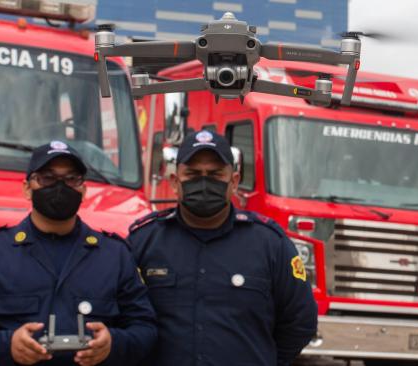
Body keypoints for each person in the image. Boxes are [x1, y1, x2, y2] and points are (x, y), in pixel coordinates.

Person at [0, 140, 156, 366]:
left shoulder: (114, 255)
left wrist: (113, 344)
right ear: (27, 188)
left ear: (83, 190)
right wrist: (7, 345)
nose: (60, 186)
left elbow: (146, 330)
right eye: (47, 178)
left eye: (71, 179)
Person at [128, 130, 318, 366]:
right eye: (194, 174)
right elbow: (125, 318)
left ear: (234, 182)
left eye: (216, 174)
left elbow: (300, 321)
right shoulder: (144, 241)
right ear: (175, 182)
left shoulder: (270, 244)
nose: (205, 182)